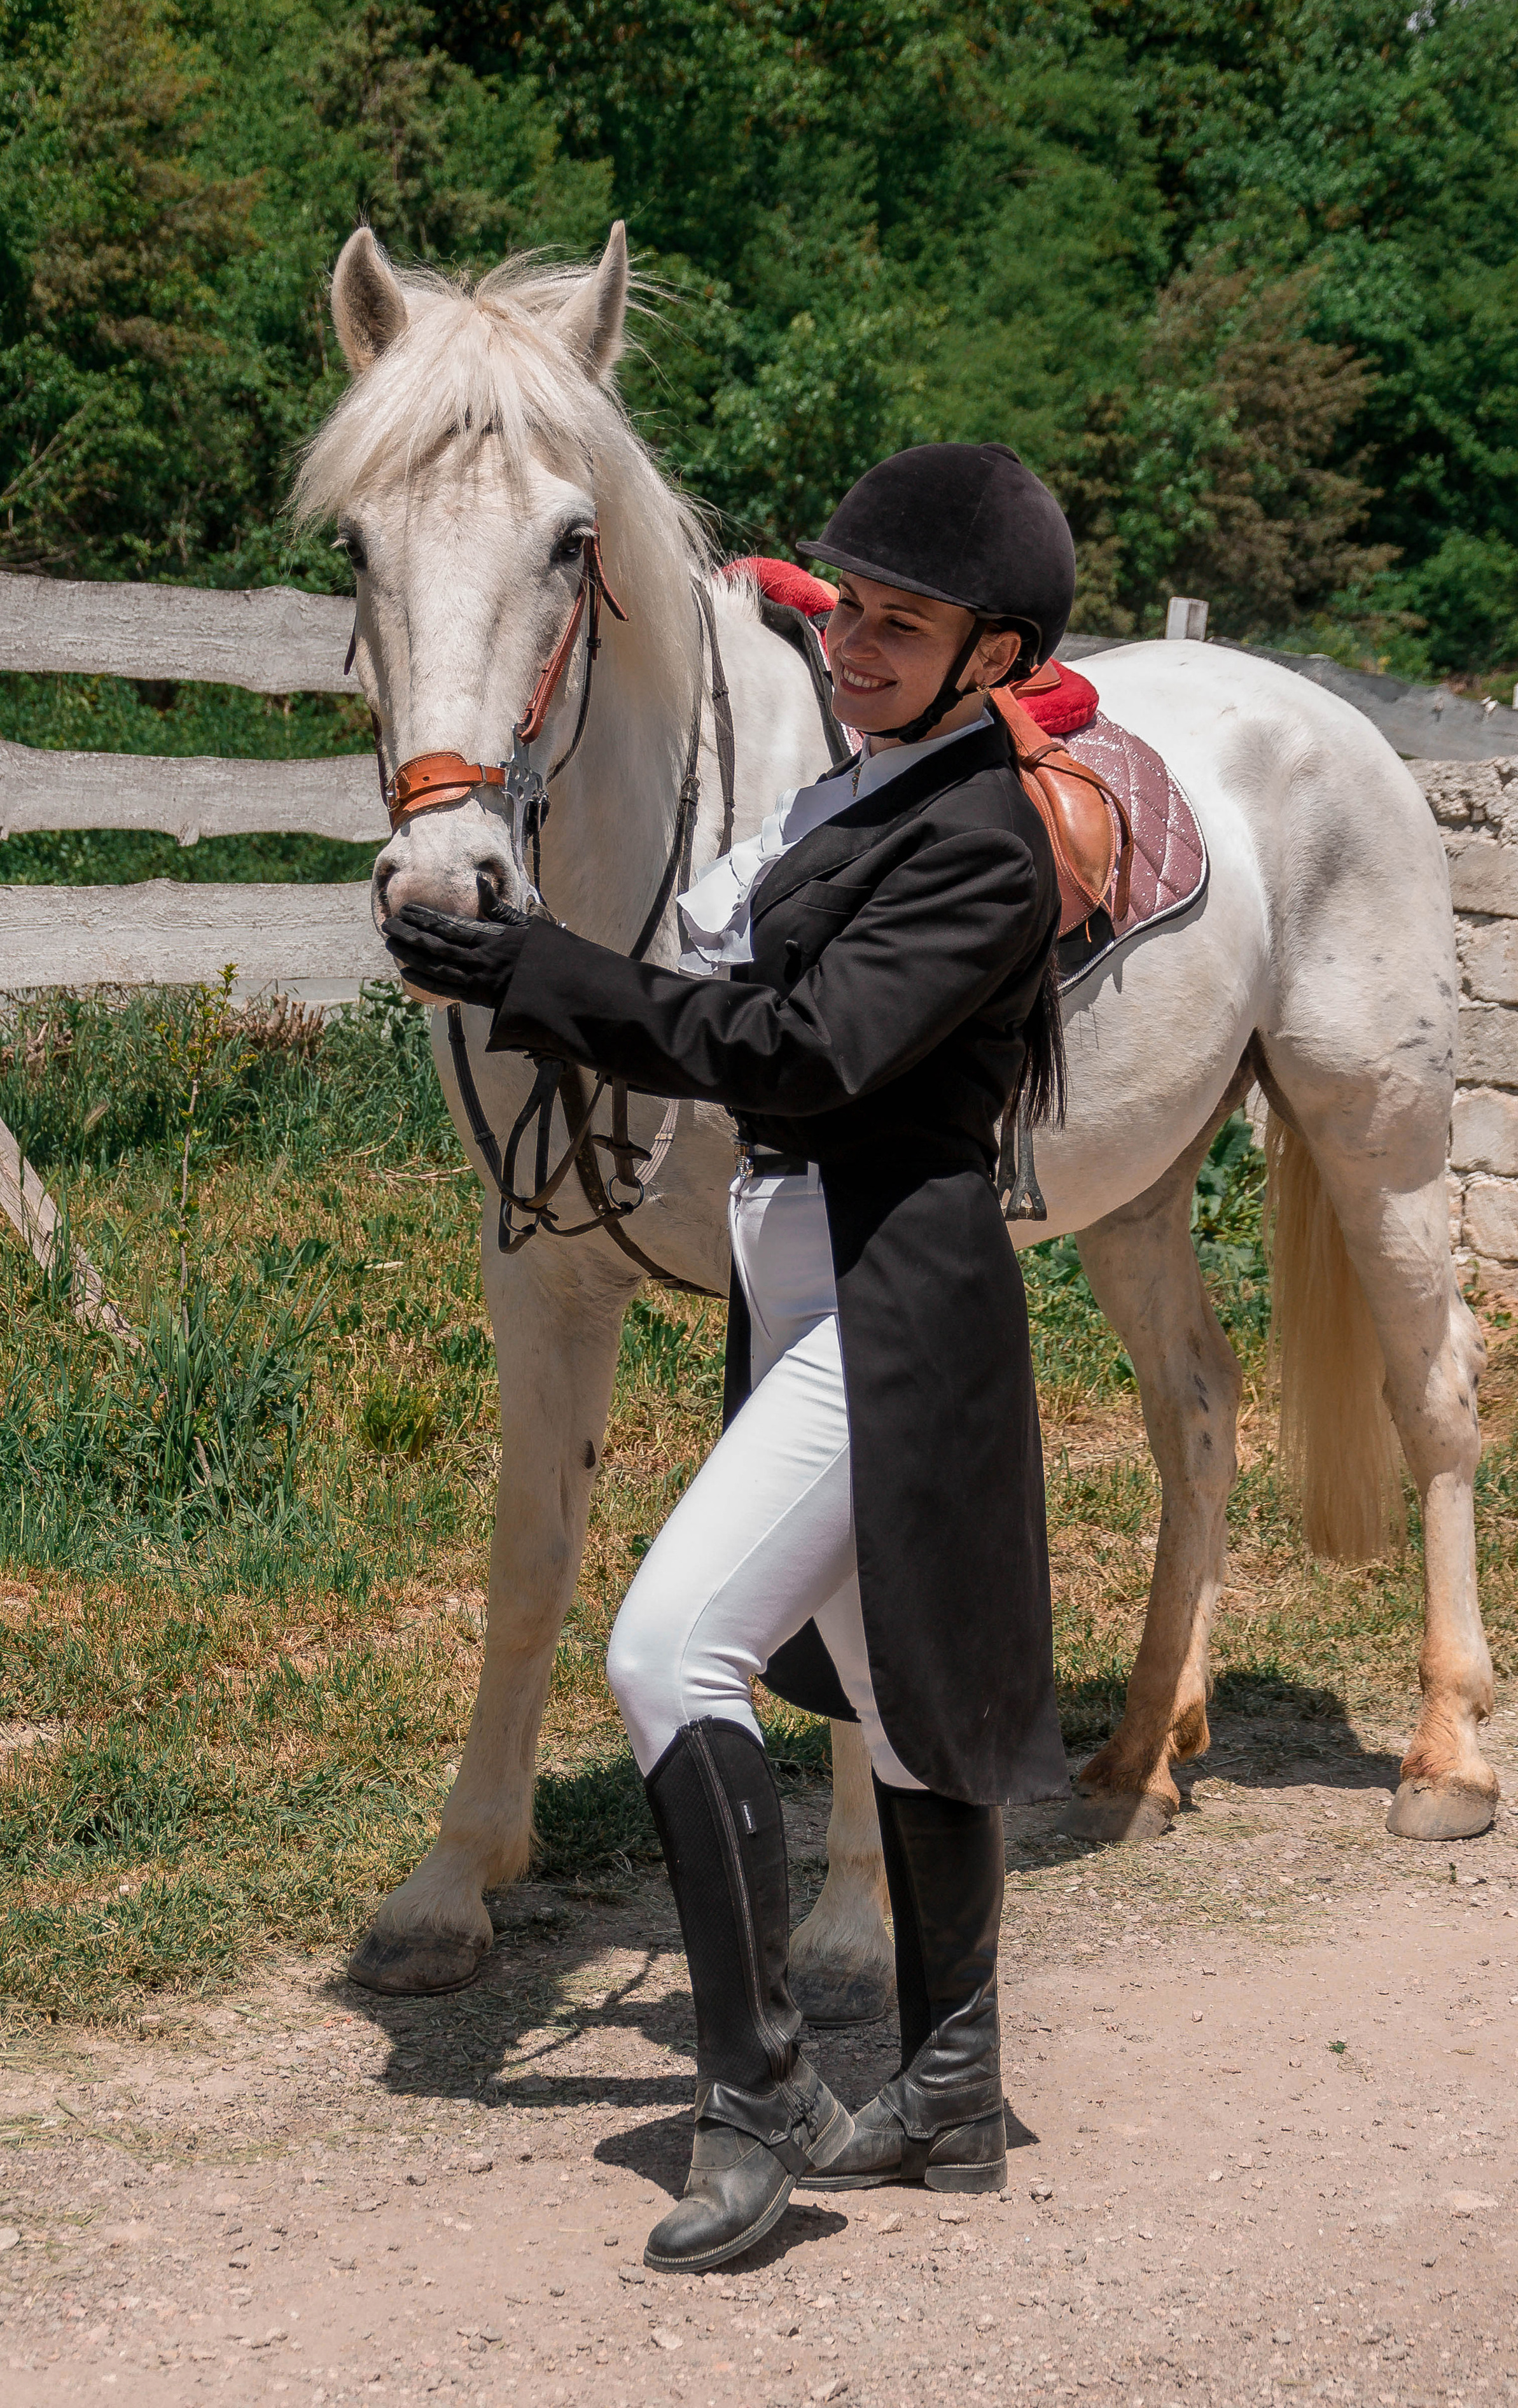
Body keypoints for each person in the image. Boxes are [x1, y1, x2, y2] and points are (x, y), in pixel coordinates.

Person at [385, 441, 1076, 2275]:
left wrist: (533, 976)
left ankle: (755, 2102)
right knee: (890, 1693)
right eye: (844, 609)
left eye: (901, 625)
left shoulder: (987, 840)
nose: (851, 642)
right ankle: (946, 2092)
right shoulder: (864, 795)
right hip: (807, 1299)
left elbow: (804, 1053)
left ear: (994, 659)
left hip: (890, 1315)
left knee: (664, 1645)